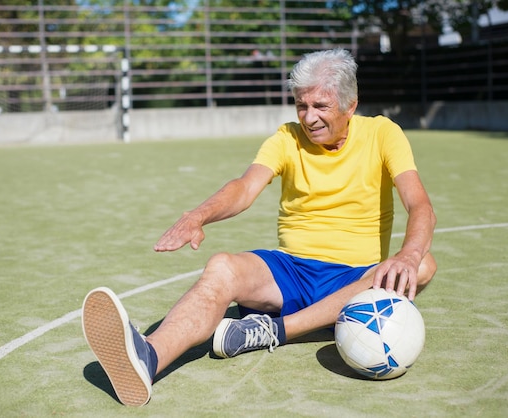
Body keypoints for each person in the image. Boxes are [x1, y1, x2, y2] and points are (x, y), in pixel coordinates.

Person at [81, 48, 438, 407]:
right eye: (301, 105)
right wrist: (198, 215)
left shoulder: (382, 133)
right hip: (292, 272)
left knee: (423, 264)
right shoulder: (286, 137)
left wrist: (408, 254)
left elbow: (419, 204)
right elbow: (244, 187)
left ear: (350, 105)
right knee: (222, 266)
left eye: (320, 106)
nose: (309, 117)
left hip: (357, 283)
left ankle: (274, 331)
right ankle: (148, 358)